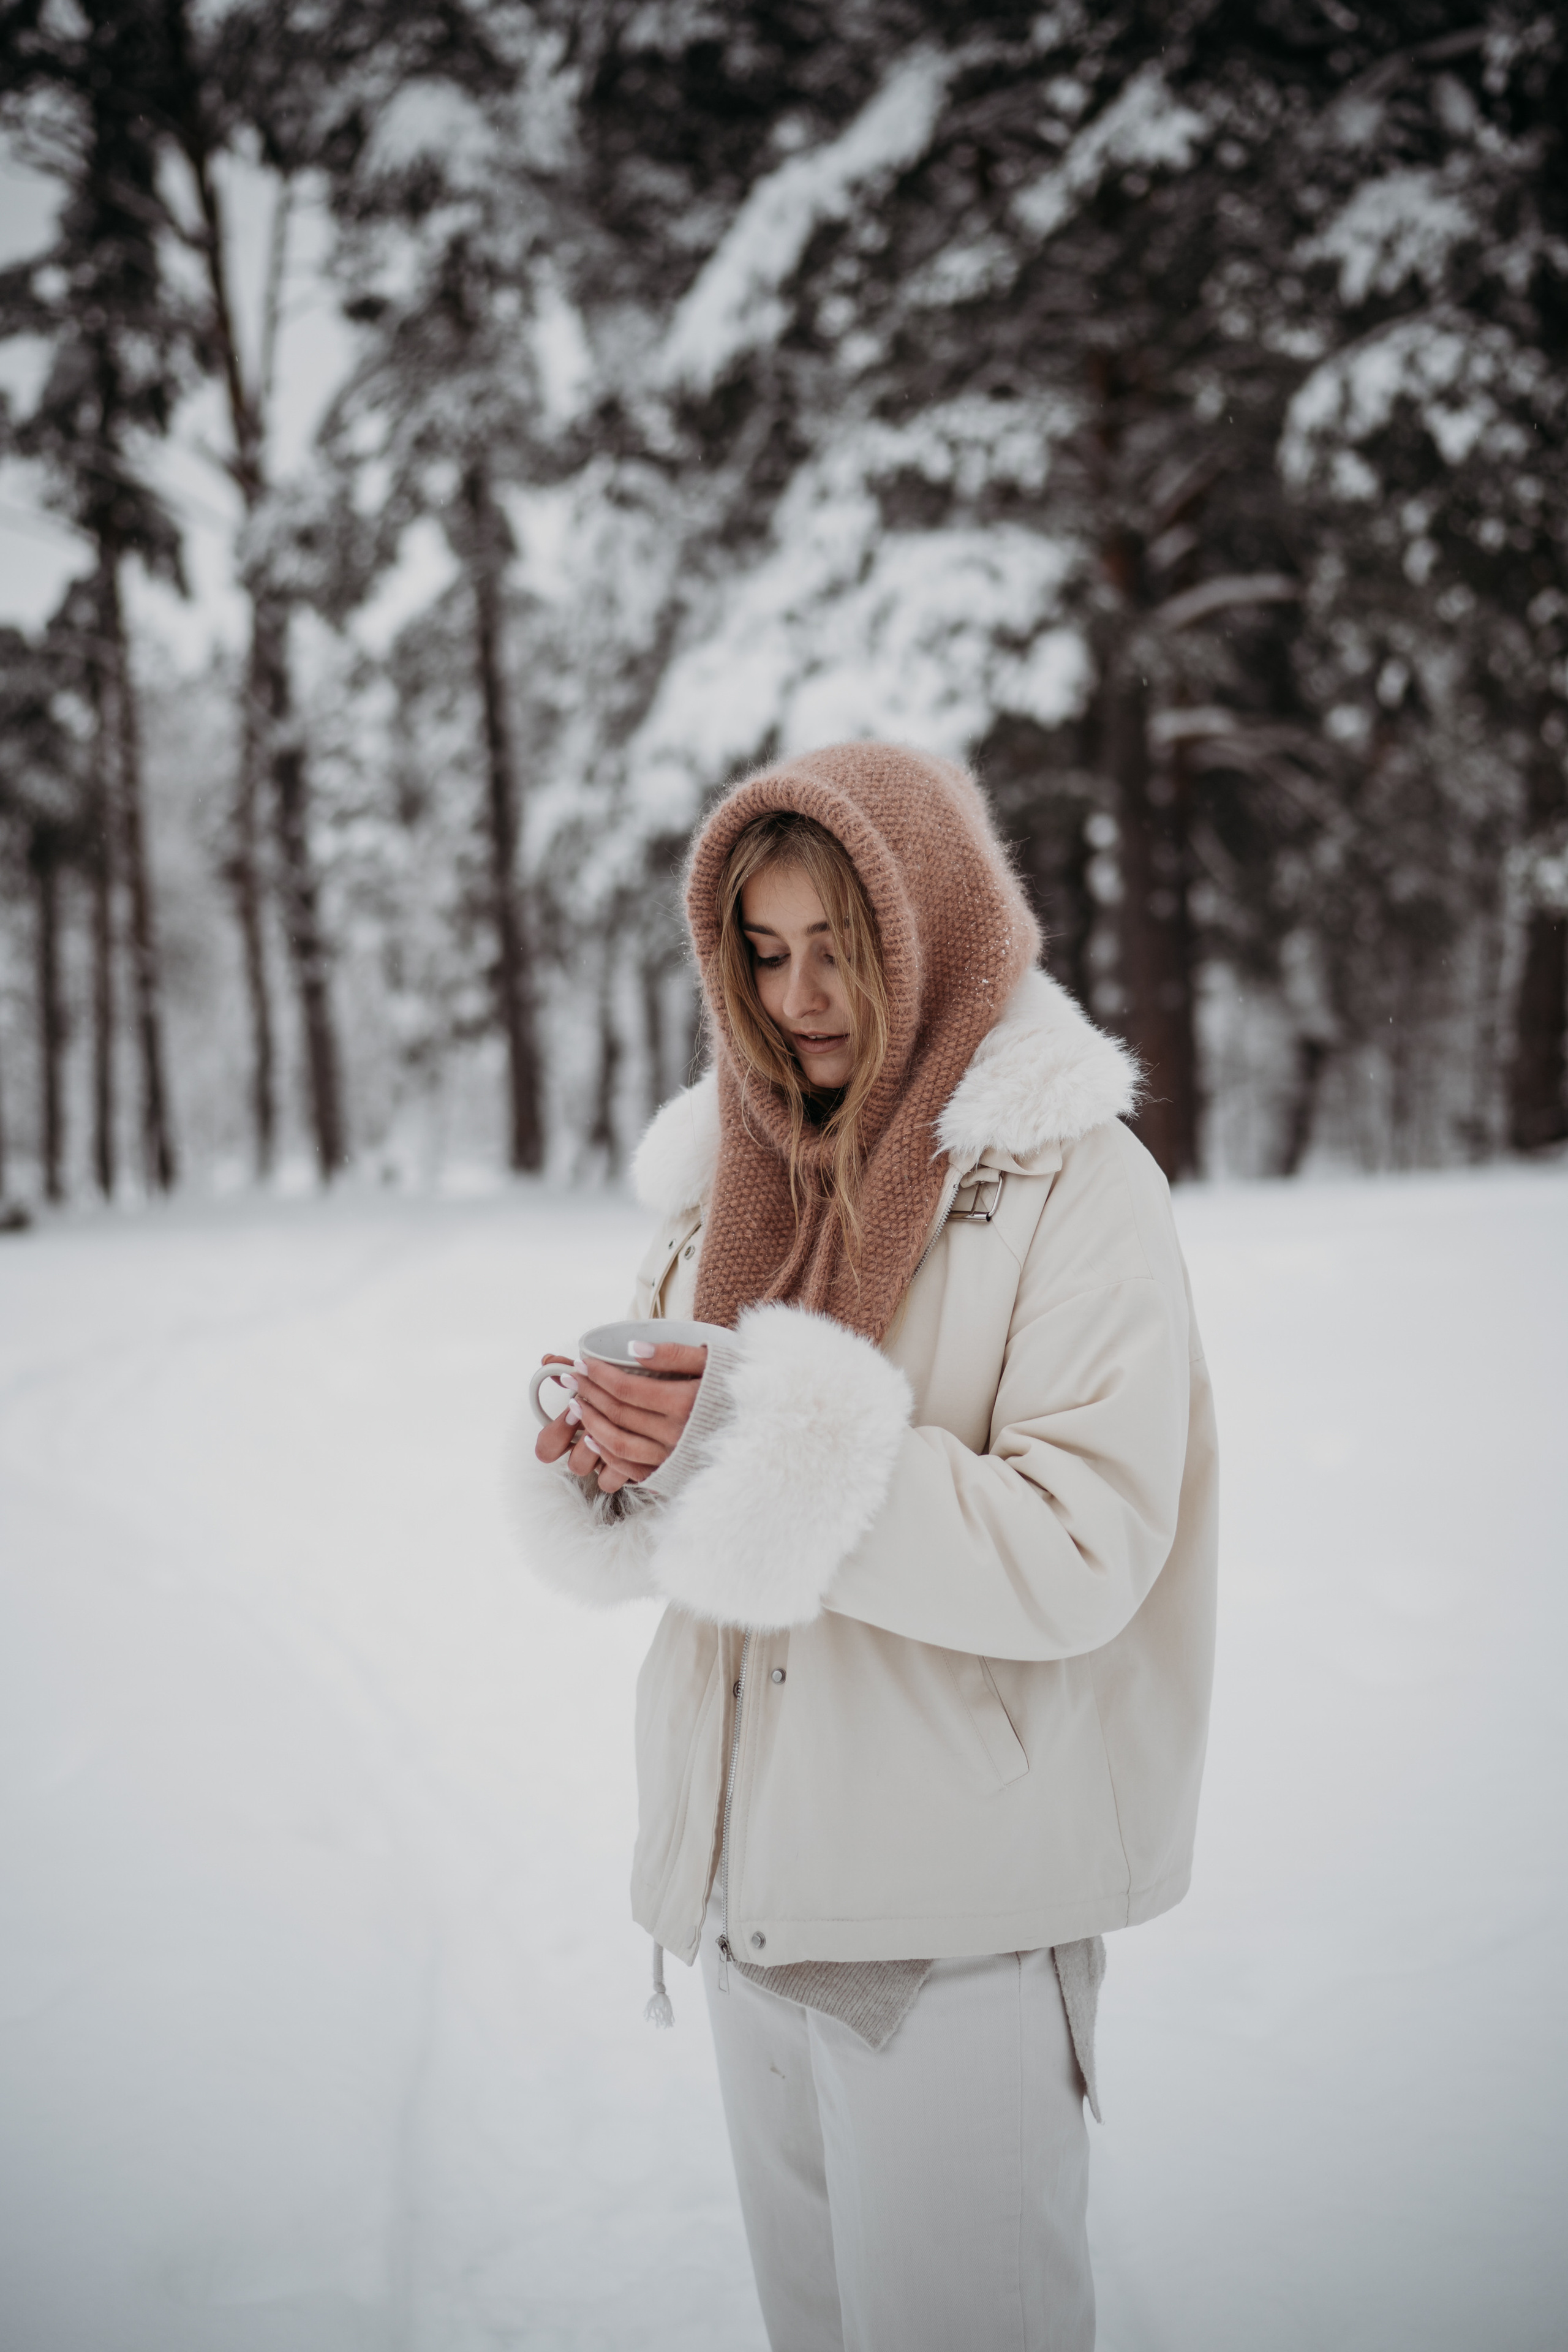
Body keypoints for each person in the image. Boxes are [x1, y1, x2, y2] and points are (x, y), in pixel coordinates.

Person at [522, 743, 1218, 2352]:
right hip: (753, 1922)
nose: (803, 994)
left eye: (842, 942)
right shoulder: (737, 1175)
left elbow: (1080, 1546)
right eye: (763, 951)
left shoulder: (1073, 1186)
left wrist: (753, 1432)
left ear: (937, 924)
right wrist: (612, 1459)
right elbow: (698, 1511)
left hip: (951, 1951)